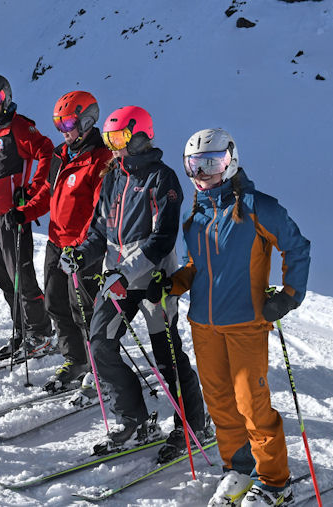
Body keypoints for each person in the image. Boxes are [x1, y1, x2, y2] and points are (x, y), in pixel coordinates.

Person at [151, 128, 310, 506]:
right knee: (220, 403)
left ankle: (274, 481)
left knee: (252, 405)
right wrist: (171, 284)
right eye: (194, 165)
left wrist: (288, 297)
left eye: (211, 163)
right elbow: (195, 268)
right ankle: (238, 469)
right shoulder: (195, 216)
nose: (201, 173)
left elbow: (297, 248)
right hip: (204, 326)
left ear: (230, 161)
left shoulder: (259, 207)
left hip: (245, 325)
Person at [59, 106, 209, 454]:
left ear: (140, 136)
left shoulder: (162, 178)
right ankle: (133, 418)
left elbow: (162, 238)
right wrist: (82, 253)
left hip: (153, 277)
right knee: (99, 344)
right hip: (117, 278)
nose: (114, 146)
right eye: (110, 138)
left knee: (166, 358)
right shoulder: (113, 175)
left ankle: (193, 424)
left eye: (120, 138)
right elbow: (100, 228)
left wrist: (126, 272)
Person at [4, 91, 109, 391]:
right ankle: (75, 359)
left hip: (83, 249)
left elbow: (101, 210)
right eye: (59, 125)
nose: (63, 131)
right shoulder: (61, 156)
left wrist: (82, 245)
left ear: (88, 121)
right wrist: (23, 213)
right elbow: (48, 194)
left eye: (69, 124)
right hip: (55, 242)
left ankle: (100, 366)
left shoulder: (101, 159)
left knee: (84, 311)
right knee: (55, 303)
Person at [0, 73, 54, 357]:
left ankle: (40, 332)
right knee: (2, 278)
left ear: (6, 98)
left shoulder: (19, 128)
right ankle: (23, 329)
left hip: (11, 217)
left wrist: (33, 189)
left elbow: (48, 152)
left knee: (21, 277)